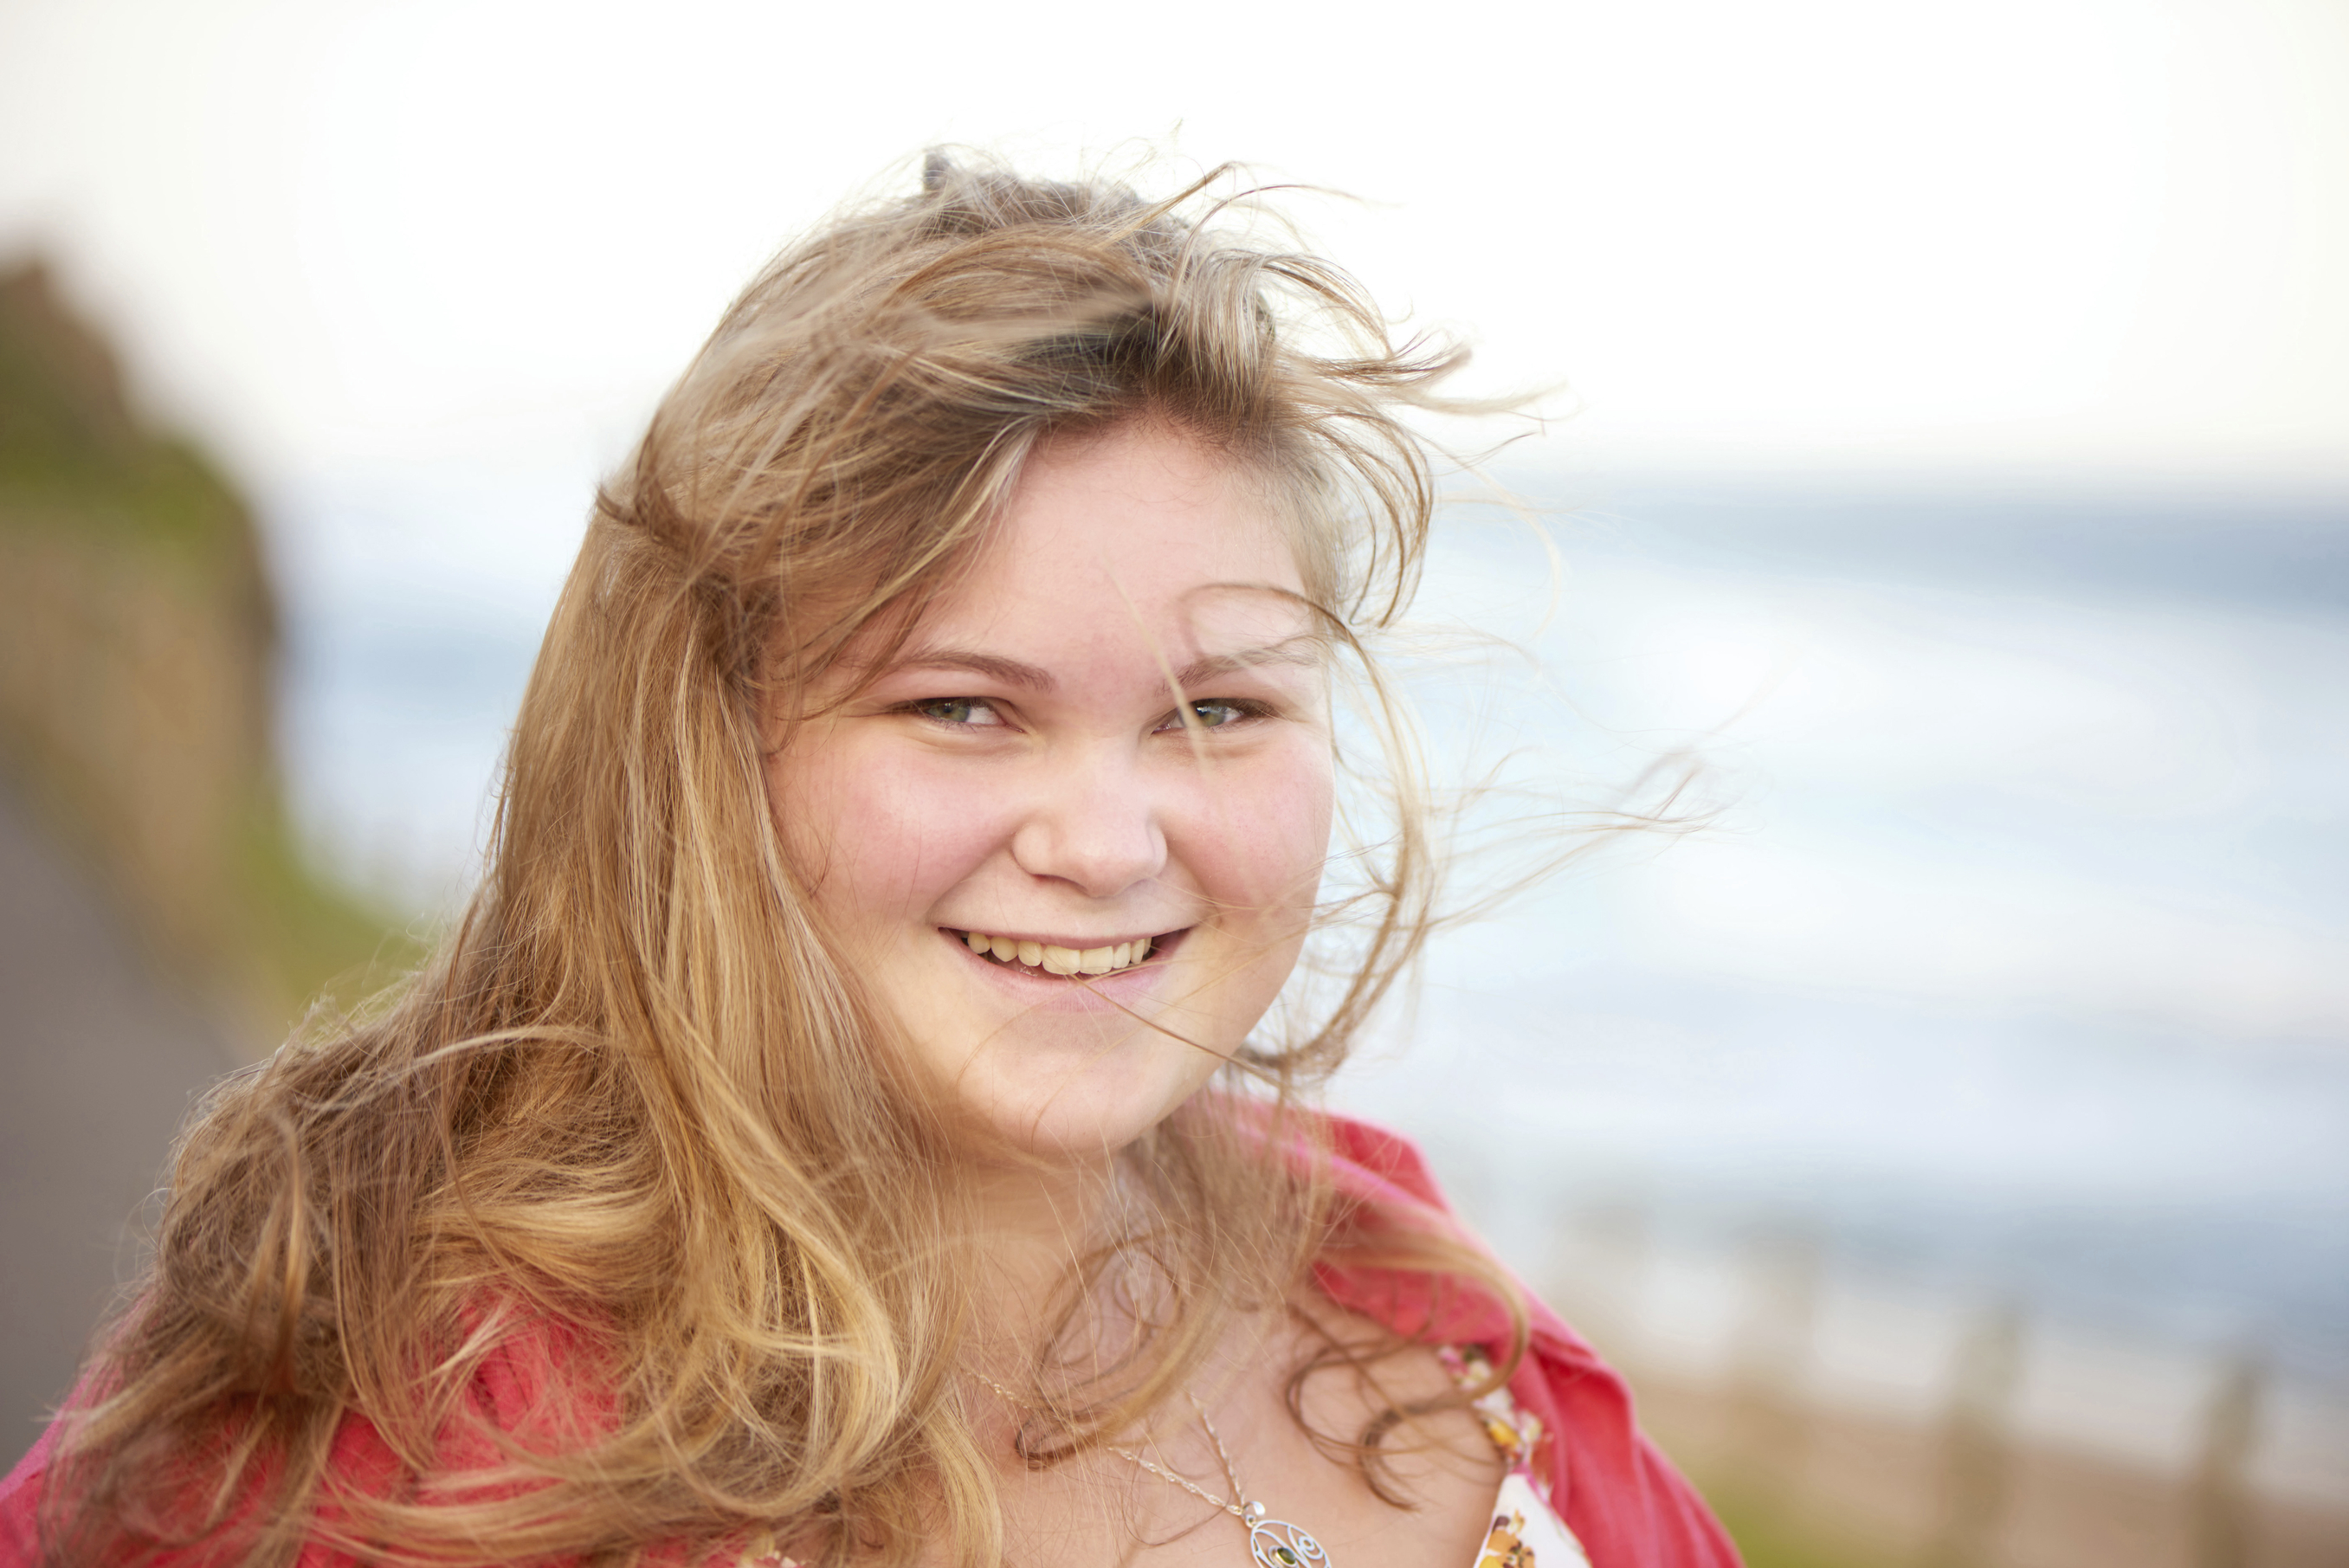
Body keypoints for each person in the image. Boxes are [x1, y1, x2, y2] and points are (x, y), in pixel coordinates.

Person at [0, 154, 1737, 1568]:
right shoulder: (384, 1423)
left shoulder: (1411, 1298)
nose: (1107, 842)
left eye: (1216, 712)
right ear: (704, 742)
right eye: (966, 710)